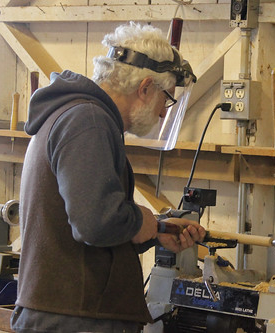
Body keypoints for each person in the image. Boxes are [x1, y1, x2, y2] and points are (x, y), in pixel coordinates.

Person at [11, 22, 206, 332]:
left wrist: (156, 230)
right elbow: (96, 222)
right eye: (165, 99)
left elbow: (91, 224)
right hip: (77, 319)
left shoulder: (78, 116)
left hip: (70, 314)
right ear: (144, 88)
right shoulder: (88, 122)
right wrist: (143, 218)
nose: (161, 113)